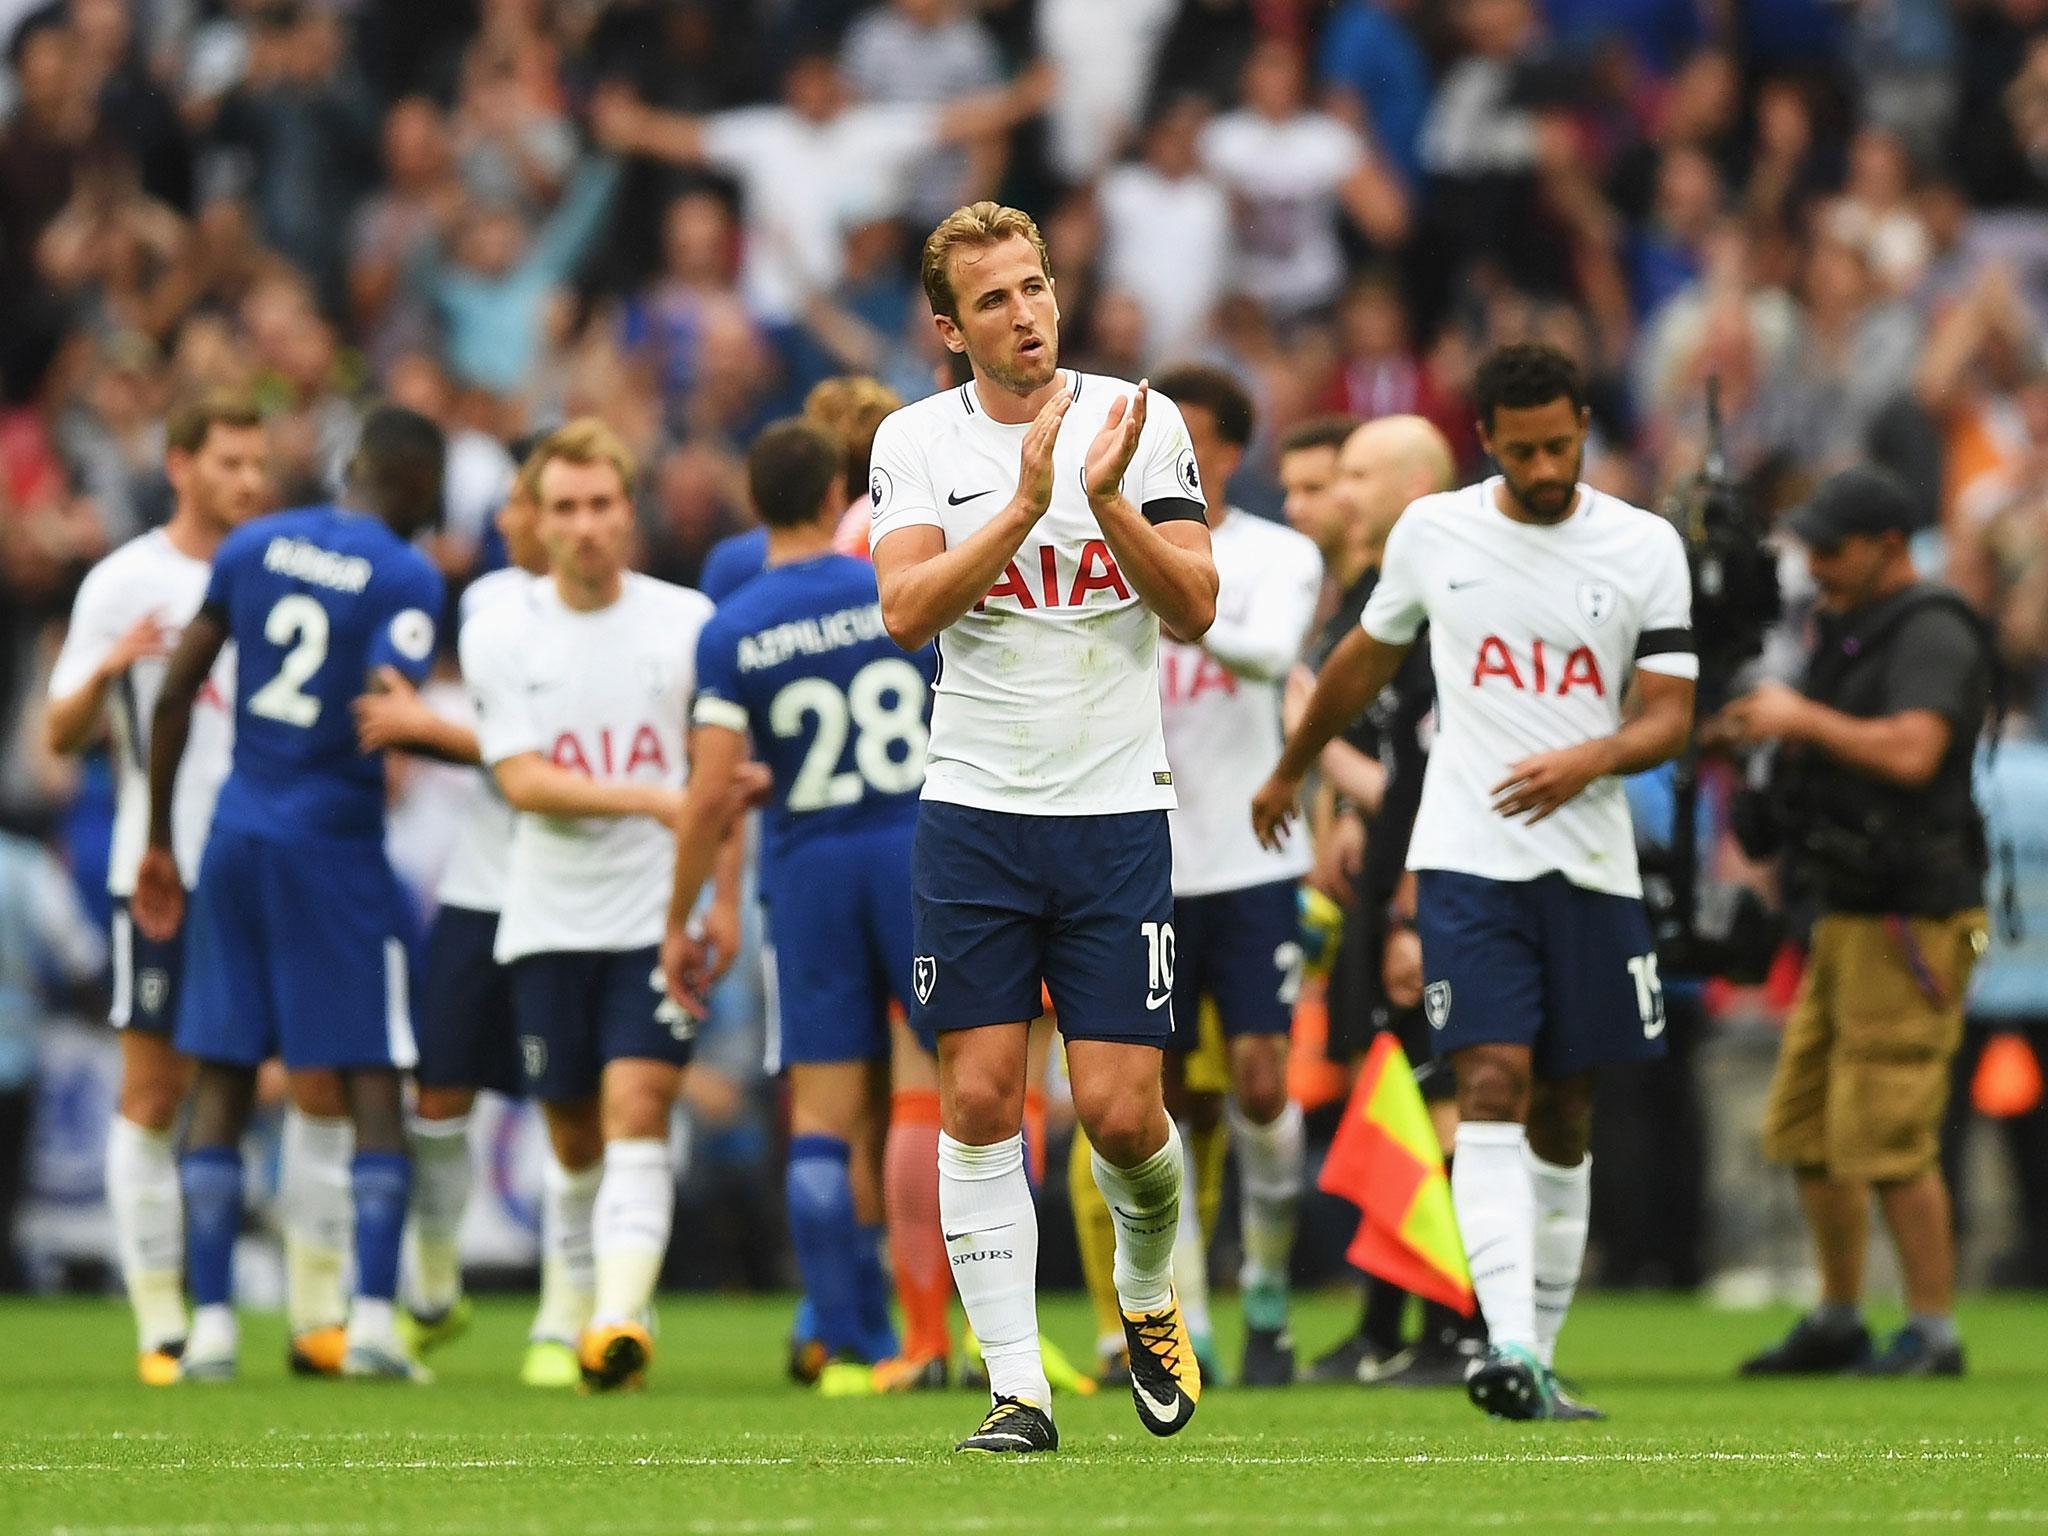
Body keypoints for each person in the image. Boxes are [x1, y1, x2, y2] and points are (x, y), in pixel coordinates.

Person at [1253, 342, 1697, 1422]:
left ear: (1582, 424)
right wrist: (1291, 765)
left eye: (1562, 443)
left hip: (1588, 865)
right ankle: (1501, 1346)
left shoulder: (1643, 545)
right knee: (1486, 1083)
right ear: (1485, 441)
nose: (1546, 466)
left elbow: (1668, 713)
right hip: (1463, 861)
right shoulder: (1434, 532)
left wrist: (1584, 759)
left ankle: (1536, 1346)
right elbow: (1360, 657)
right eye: (1524, 448)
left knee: (1565, 1109)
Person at [866, 201, 1217, 1454]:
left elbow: (1195, 608)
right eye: (995, 300)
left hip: (1116, 810)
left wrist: (1106, 503)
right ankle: (1017, 1387)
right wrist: (1020, 509)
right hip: (974, 809)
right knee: (976, 1096)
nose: (1025, 315)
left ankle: (1142, 1292)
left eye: (1035, 288)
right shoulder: (913, 443)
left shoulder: (1141, 417)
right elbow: (904, 609)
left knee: (1123, 1117)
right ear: (948, 329)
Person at [135, 404, 451, 1382]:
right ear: (416, 483)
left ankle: (215, 1330)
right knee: (370, 1079)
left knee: (223, 1075)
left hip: (234, 835)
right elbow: (385, 708)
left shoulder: (255, 544)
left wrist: (155, 836)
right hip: (334, 847)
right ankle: (365, 1324)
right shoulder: (406, 575)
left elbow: (179, 687)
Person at [459, 419, 735, 1393]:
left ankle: (617, 1319)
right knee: (572, 1135)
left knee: (636, 1111)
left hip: (653, 917)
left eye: (602, 506)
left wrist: (724, 902)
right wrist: (655, 799)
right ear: (533, 520)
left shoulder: (691, 623)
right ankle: (566, 1304)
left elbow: (726, 781)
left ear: (630, 513)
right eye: (564, 508)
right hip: (544, 916)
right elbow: (524, 782)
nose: (584, 527)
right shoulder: (498, 627)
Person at [663, 417, 937, 1391]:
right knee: (924, 1097)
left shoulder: (732, 625)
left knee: (819, 1116)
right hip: (916, 857)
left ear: (754, 504)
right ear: (835, 499)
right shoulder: (889, 589)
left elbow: (710, 793)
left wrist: (682, 914)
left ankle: (846, 1344)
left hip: (807, 870)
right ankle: (929, 1334)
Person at [1713, 465, 1993, 1377]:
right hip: (1844, 909)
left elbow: (1915, 751)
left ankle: (1932, 1329)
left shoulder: (1933, 629)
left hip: (1909, 914)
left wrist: (1803, 720)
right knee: (1807, 1127)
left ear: (1888, 548)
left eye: (1832, 550)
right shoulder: (1842, 629)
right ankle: (1839, 1315)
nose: (1815, 565)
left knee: (1888, 1134)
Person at [349, 451, 598, 1388]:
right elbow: (509, 740)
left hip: (572, 897)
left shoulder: (613, 616)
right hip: (480, 886)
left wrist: (431, 729)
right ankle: (438, 1277)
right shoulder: (490, 600)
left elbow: (539, 750)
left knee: (573, 1111)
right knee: (440, 1093)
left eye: (518, 503)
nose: (503, 517)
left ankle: (567, 1313)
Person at [43, 393, 264, 1384]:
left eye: (258, 465)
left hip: (266, 862)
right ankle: (161, 1320)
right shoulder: (123, 580)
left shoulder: (273, 570)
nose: (249, 482)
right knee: (154, 1089)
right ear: (180, 465)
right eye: (229, 463)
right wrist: (110, 673)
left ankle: (320, 1316)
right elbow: (57, 733)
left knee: (297, 1082)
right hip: (158, 861)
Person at [1146, 364, 1323, 1387]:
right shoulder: (1116, 547)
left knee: (1259, 1079)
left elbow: (1272, 651)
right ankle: (1190, 1312)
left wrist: (1187, 613)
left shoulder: (1276, 555)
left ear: (1230, 449)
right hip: (1145, 858)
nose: (1183, 453)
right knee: (1161, 1100)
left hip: (1255, 860)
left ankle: (1264, 1285)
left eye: (1200, 438)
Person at [1299, 414, 1478, 1390]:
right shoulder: (1374, 597)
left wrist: (1410, 903)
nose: (1338, 490)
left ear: (1414, 484)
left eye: (1357, 474)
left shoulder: (1432, 594)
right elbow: (1383, 753)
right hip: (1390, 871)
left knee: (1437, 1096)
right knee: (1395, 1098)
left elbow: (1428, 759)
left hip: (1430, 874)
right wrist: (1338, 797)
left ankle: (1454, 1323)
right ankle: (1387, 1323)